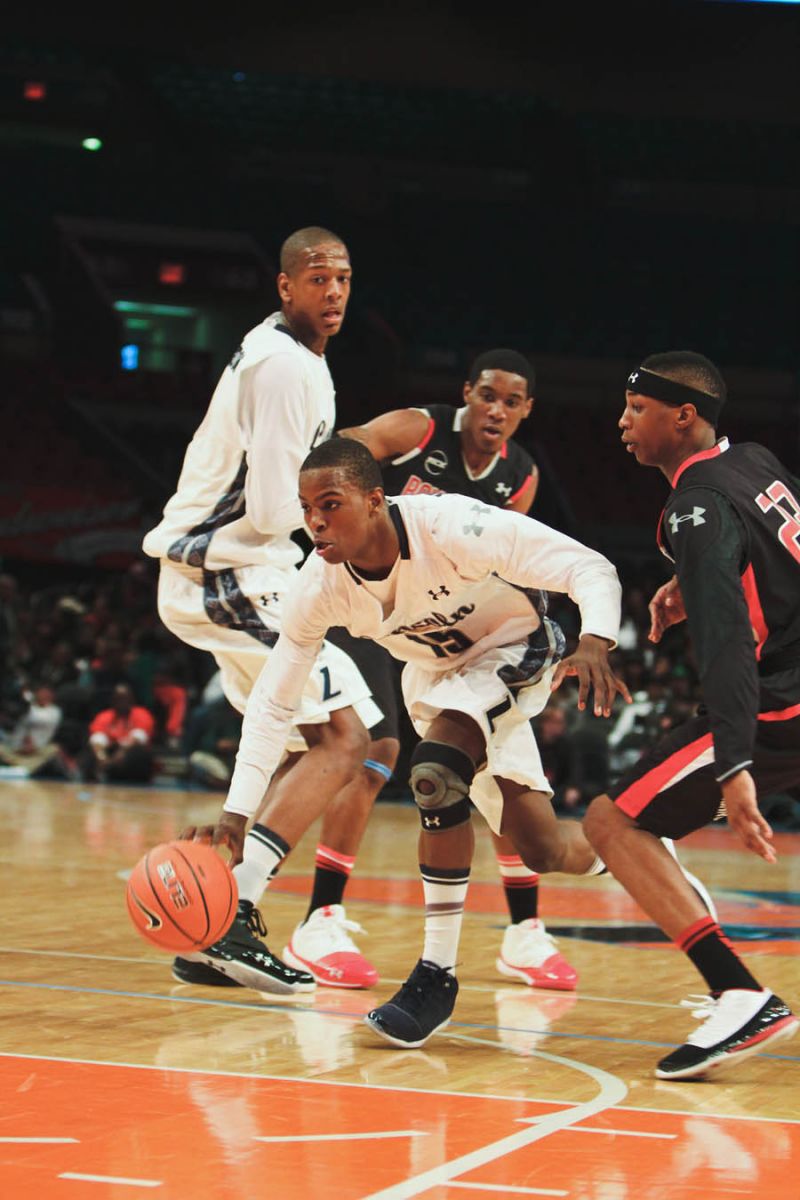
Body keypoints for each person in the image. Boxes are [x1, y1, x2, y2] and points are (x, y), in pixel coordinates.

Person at [197, 437, 631, 1047]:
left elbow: (592, 567)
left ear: (375, 500)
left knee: (434, 776)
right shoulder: (317, 585)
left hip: (517, 646)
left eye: (331, 504)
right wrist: (236, 812)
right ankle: (631, 846)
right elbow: (274, 703)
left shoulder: (453, 526)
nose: (316, 521)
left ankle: (436, 976)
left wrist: (598, 638)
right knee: (541, 847)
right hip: (437, 676)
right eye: (306, 508)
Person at [286, 348, 578, 992]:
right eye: (487, 395)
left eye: (510, 401)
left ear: (525, 410)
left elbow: (513, 561)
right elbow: (346, 446)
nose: (495, 409)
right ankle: (319, 918)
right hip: (370, 600)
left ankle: (525, 933)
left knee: (497, 766)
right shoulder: (420, 429)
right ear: (466, 394)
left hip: (449, 627)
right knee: (374, 750)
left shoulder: (520, 476)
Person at [142, 226, 384, 996]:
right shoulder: (284, 367)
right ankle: (236, 916)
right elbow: (285, 506)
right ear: (285, 286)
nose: (334, 291)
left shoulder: (292, 355)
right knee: (348, 737)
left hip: (235, 571)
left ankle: (212, 925)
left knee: (305, 742)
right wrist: (368, 470)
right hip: (229, 571)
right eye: (318, 279)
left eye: (343, 278)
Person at [583, 350, 799, 1080]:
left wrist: (735, 763)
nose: (621, 421)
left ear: (684, 416)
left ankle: (739, 995)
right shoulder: (757, 462)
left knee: (612, 822)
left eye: (636, 409)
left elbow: (727, 641)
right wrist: (691, 573)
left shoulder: (695, 505)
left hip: (783, 699)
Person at [81, 682, 155, 783]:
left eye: (125, 698)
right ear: (113, 700)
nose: (122, 702)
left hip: (129, 754)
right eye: (118, 699)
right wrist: (101, 757)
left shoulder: (142, 714)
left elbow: (138, 736)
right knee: (89, 752)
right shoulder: (104, 716)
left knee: (139, 753)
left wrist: (120, 755)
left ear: (132, 699)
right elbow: (97, 738)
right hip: (109, 753)